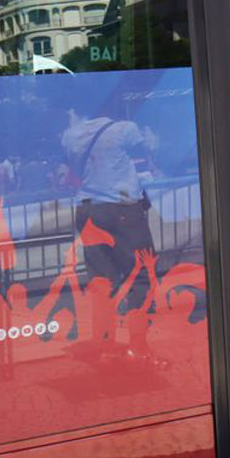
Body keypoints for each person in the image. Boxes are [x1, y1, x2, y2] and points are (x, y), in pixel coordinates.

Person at [61, 109, 156, 309]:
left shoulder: (70, 137)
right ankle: (140, 326)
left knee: (101, 278)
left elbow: (73, 168)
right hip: (121, 207)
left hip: (87, 209)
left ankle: (106, 332)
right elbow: (144, 162)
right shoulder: (125, 129)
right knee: (140, 269)